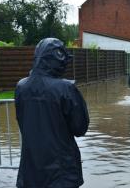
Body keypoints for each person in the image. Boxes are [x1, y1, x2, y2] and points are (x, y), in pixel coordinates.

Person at [15, 38, 89, 188]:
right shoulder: (65, 89)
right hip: (61, 173)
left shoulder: (21, 87)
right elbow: (80, 128)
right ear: (59, 60)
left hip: (30, 171)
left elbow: (22, 120)